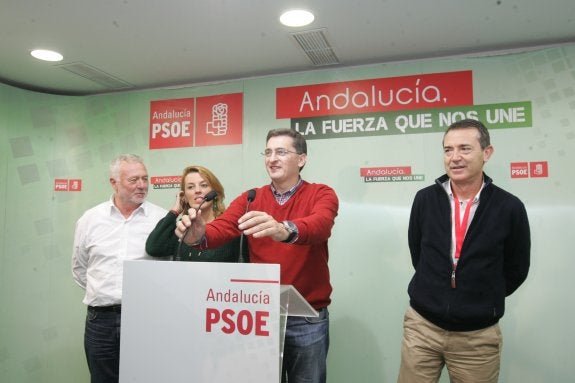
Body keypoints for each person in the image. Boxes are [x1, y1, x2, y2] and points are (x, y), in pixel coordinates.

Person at [175, 128, 339, 383]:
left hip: (307, 318)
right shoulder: (251, 198)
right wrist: (199, 233)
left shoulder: (321, 193)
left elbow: (320, 225)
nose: (272, 158)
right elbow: (224, 227)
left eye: (281, 152)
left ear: (302, 159)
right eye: (268, 152)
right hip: (262, 316)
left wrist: (284, 230)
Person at [397, 119, 531, 383]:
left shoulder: (509, 207)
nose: (455, 157)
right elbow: (419, 255)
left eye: (465, 149)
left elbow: (516, 269)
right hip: (422, 327)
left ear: (486, 153)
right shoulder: (425, 199)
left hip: (477, 337)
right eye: (448, 150)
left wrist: (480, 297)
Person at [71, 154, 167, 383]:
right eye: (134, 180)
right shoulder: (90, 220)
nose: (142, 185)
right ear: (113, 183)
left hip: (145, 319)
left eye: (145, 178)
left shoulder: (161, 219)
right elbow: (80, 268)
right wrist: (107, 294)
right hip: (100, 322)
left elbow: (170, 269)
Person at [146, 165, 246, 262]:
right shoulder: (183, 226)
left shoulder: (228, 226)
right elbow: (154, 248)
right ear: (184, 195)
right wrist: (175, 211)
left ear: (215, 193)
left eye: (204, 185)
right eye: (190, 187)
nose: (197, 191)